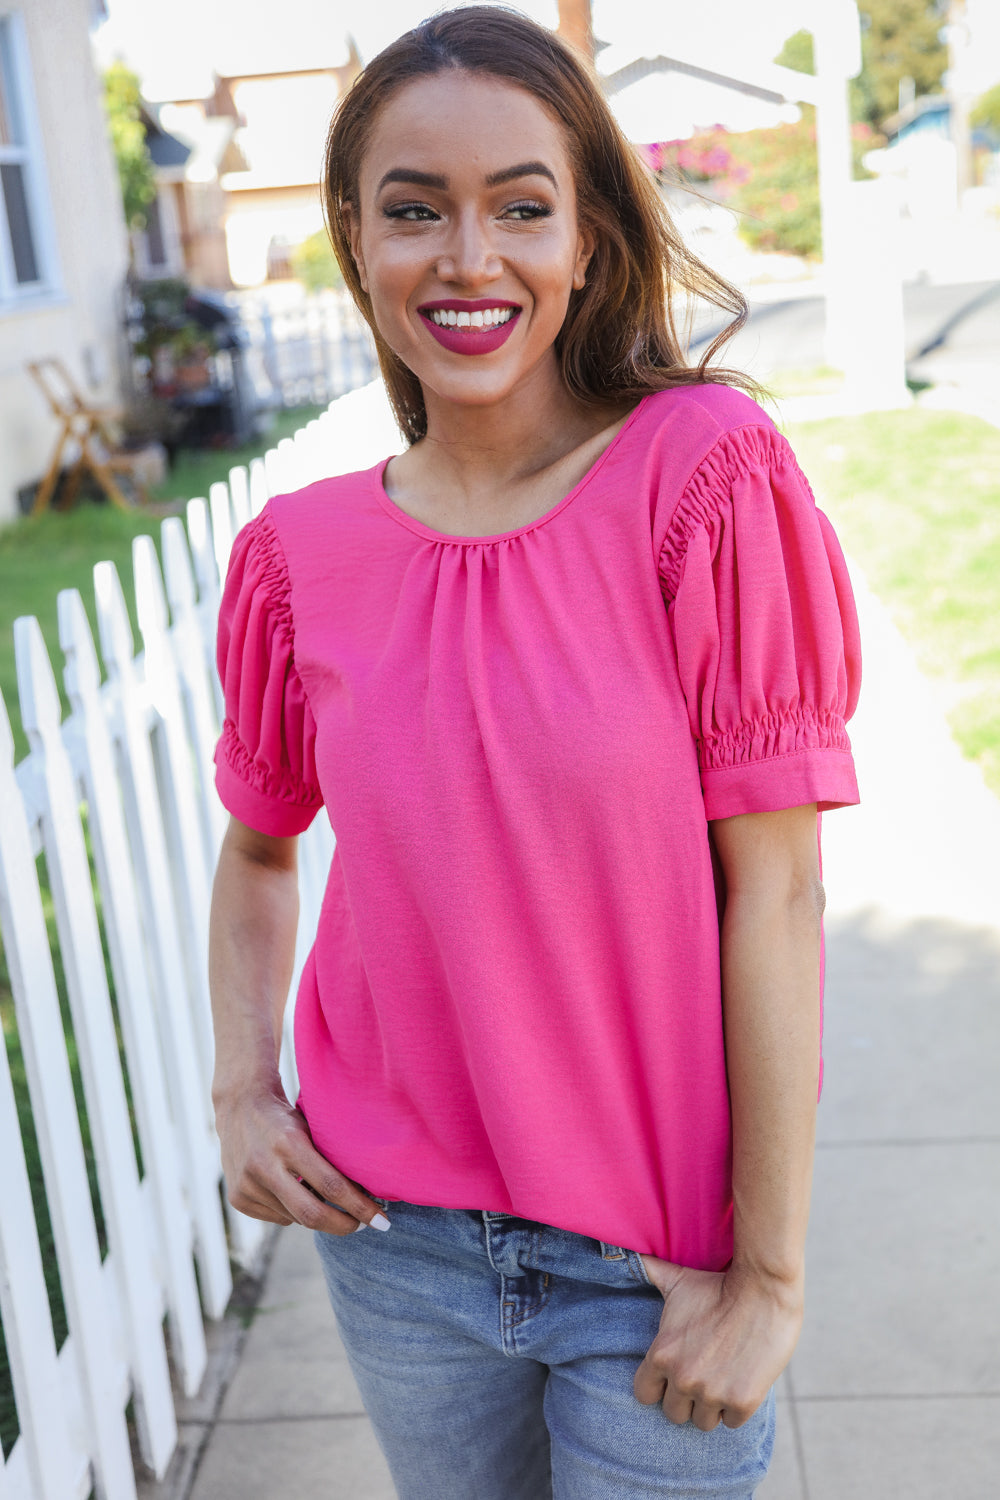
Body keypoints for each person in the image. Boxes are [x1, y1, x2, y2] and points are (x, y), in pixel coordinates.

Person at [208, 8, 861, 1497]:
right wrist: (245, 1092)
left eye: (520, 206)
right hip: (398, 1257)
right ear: (356, 242)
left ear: (585, 241)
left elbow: (779, 899)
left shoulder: (701, 481)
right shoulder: (297, 558)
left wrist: (767, 1277)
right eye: (414, 209)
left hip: (657, 1269)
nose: (468, 258)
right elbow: (258, 849)